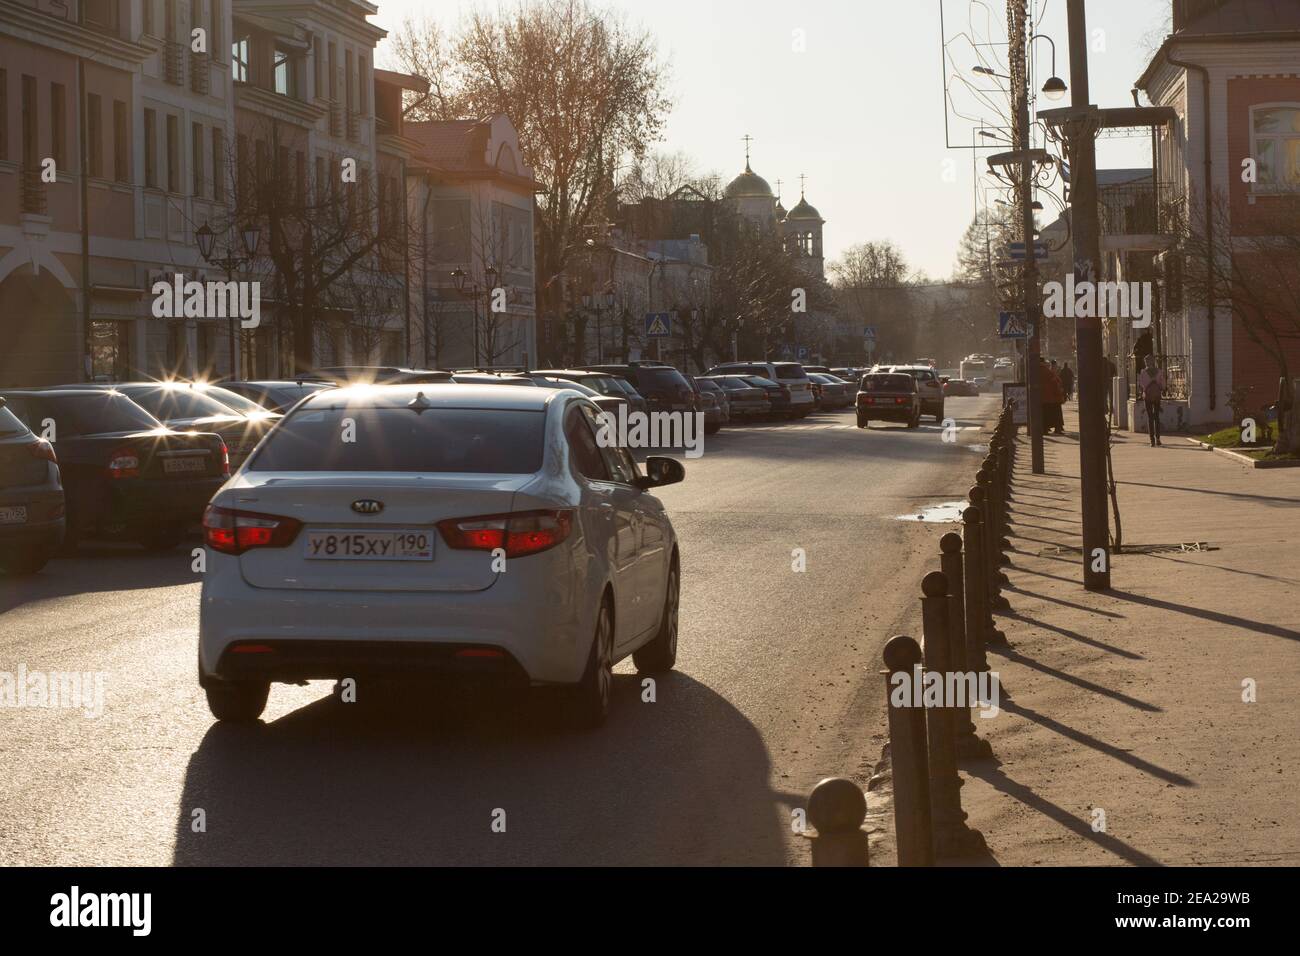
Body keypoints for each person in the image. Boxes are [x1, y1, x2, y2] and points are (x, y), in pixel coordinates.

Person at [1138, 354, 1166, 447]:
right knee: (1157, 417)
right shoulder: (1159, 371)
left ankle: (1152, 440)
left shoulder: (1143, 372)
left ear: (1146, 362)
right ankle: (1158, 438)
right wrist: (1159, 387)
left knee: (1150, 417)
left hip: (1148, 396)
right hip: (1157, 396)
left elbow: (1142, 384)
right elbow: (1163, 385)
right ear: (1153, 361)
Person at [1039, 356, 1065, 435]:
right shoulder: (1047, 371)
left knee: (1045, 414)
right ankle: (1057, 428)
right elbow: (1055, 383)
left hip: (1041, 397)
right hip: (1052, 396)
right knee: (1056, 413)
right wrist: (1059, 392)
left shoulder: (1035, 370)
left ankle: (1045, 429)